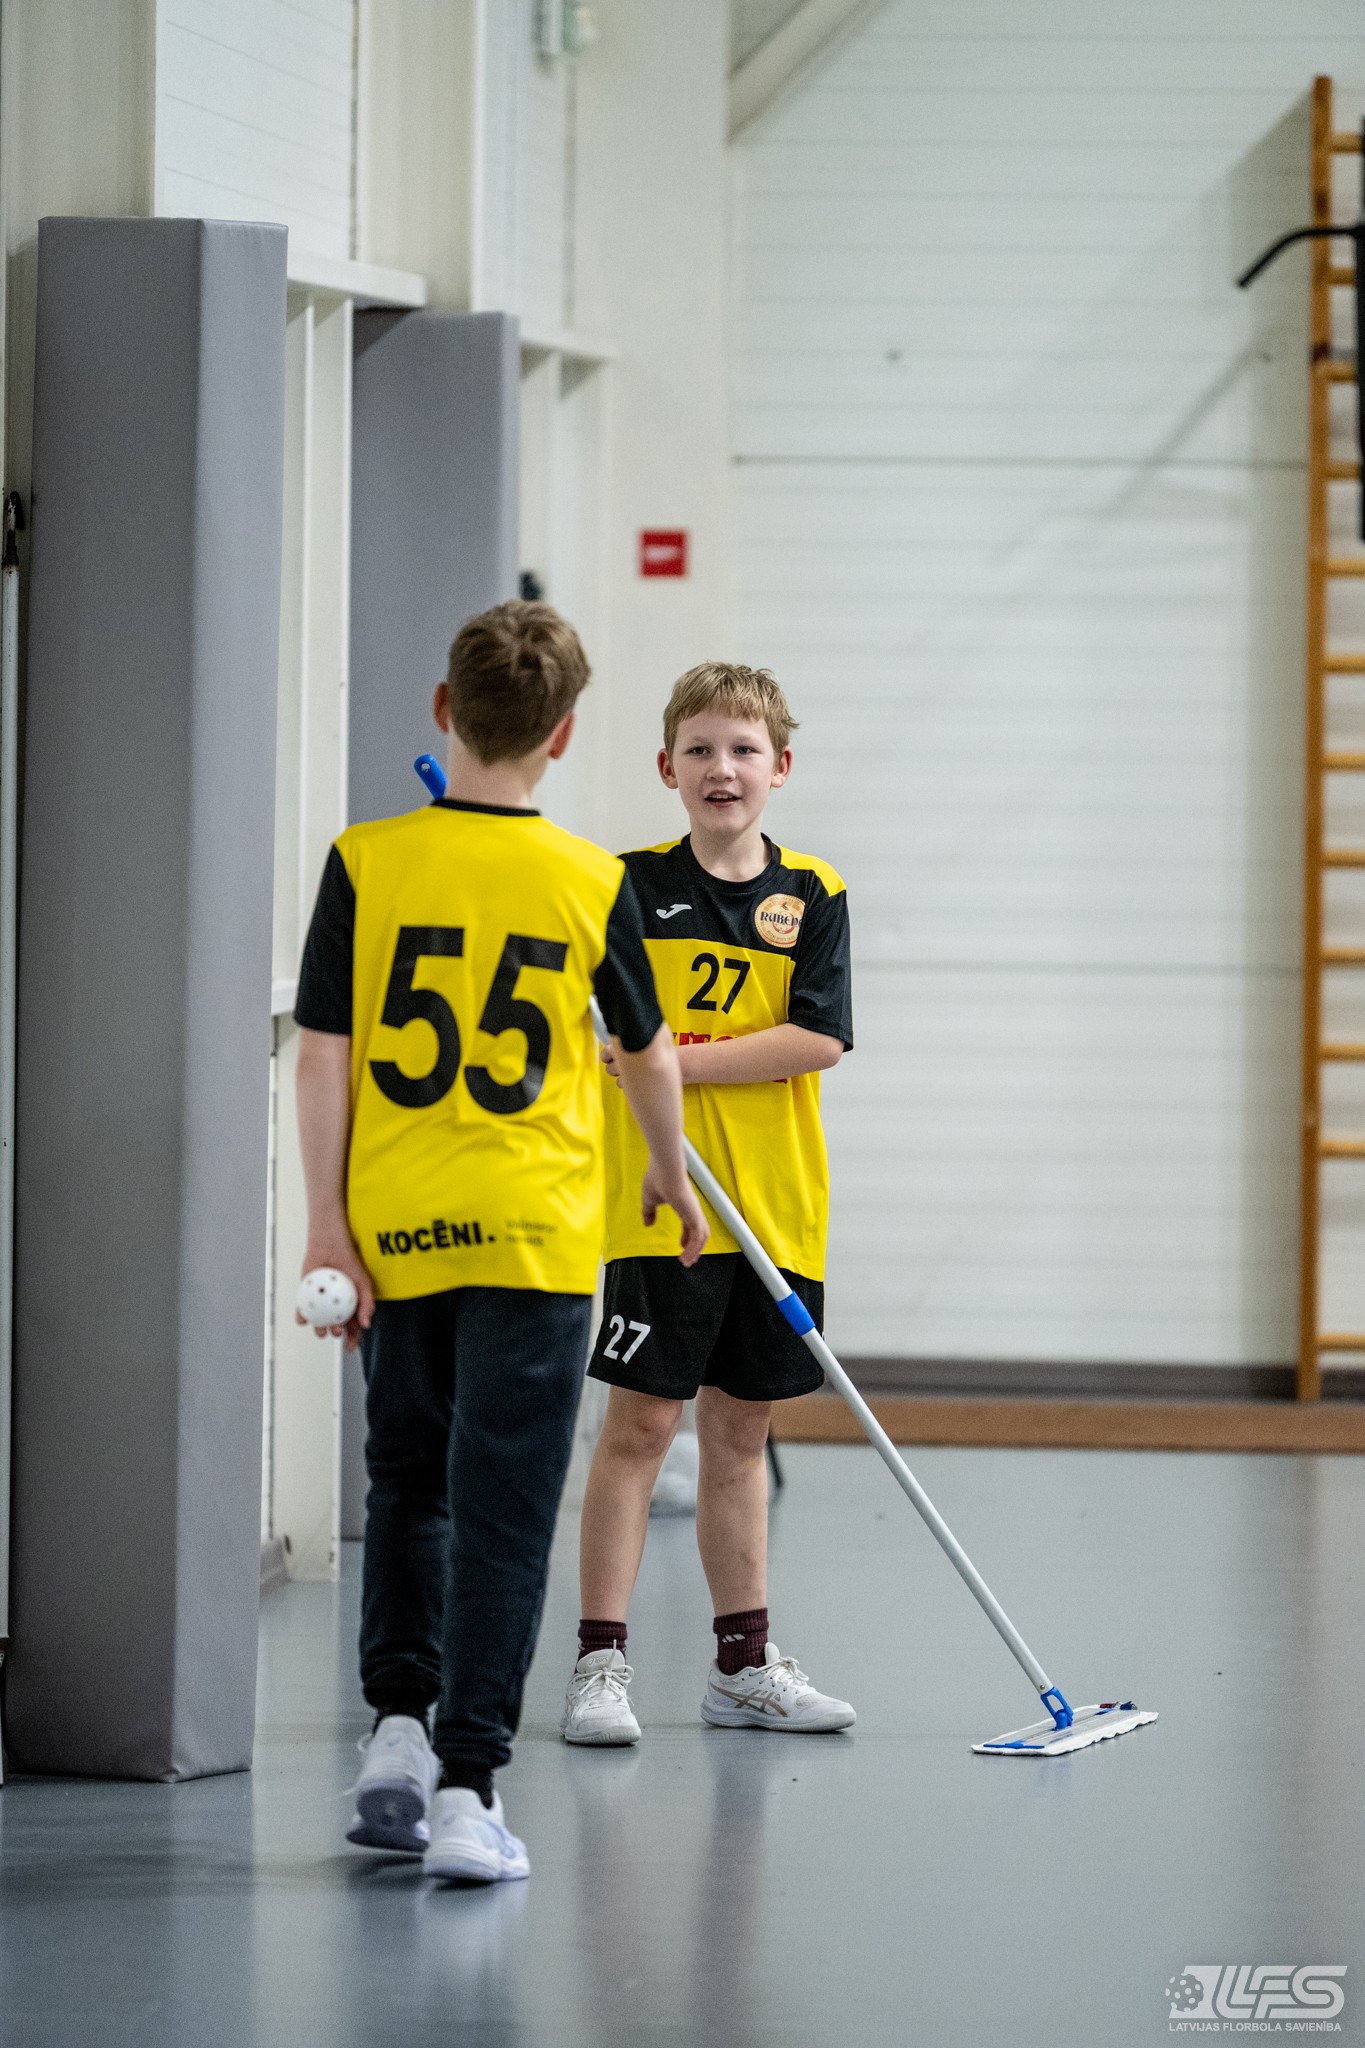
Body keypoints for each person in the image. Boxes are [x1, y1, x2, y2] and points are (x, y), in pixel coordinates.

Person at [292, 601, 707, 1883]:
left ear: (443, 709)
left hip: (398, 1229)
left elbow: (323, 1054)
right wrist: (669, 1172)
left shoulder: (366, 859)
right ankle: (470, 1785)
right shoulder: (592, 880)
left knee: (405, 1480)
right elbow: (646, 1053)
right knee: (507, 1510)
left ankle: (396, 1728)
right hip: (535, 1232)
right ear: (565, 733)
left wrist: (326, 1223)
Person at [563, 661, 856, 1746]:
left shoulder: (813, 894)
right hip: (660, 1198)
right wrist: (627, 1056)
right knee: (640, 1426)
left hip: (775, 1206)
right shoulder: (624, 888)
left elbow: (816, 1039)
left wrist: (668, 1059)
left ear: (781, 767)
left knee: (739, 1431)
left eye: (743, 750)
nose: (721, 768)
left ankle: (742, 1667)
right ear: (666, 767)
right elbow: (587, 1026)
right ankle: (599, 1663)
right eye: (700, 750)